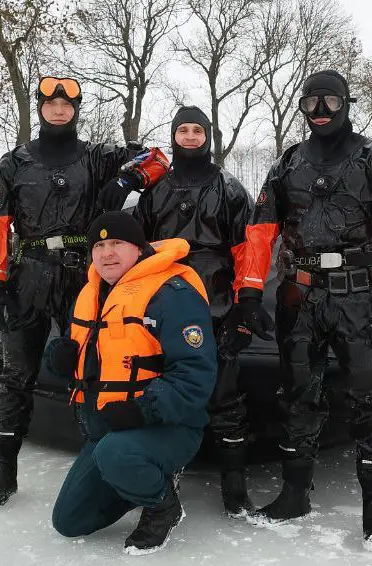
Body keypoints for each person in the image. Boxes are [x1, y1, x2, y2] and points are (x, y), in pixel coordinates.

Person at [226, 70, 372, 545]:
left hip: (359, 294)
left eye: (330, 101)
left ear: (347, 103)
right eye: (311, 102)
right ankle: (296, 490)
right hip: (299, 293)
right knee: (297, 393)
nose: (320, 111)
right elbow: (260, 231)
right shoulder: (288, 163)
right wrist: (250, 293)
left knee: (368, 395)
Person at [0, 76, 168, 506]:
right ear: (40, 108)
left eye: (67, 104)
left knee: (93, 368)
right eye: (52, 103)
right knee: (14, 375)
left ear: (76, 109)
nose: (59, 110)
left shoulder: (97, 157)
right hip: (28, 275)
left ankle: (97, 459)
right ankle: (4, 470)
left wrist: (128, 180)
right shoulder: (14, 163)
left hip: (82, 276)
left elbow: (158, 157)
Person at [47, 211, 216, 555]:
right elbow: (80, 348)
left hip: (169, 425)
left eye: (117, 244)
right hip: (108, 429)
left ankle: (162, 506)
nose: (107, 253)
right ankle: (135, 476)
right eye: (100, 245)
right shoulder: (94, 292)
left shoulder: (172, 294)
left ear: (138, 249)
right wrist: (58, 356)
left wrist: (142, 410)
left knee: (117, 453)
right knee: (69, 521)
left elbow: (195, 376)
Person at [133, 105, 256, 517]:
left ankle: (234, 485)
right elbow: (139, 248)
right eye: (182, 130)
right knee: (165, 384)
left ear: (208, 136)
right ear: (173, 136)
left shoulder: (231, 189)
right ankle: (163, 478)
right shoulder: (156, 190)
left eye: (197, 131)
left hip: (216, 297)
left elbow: (248, 253)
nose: (189, 137)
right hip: (165, 295)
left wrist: (243, 305)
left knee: (225, 393)